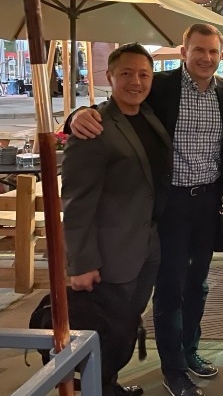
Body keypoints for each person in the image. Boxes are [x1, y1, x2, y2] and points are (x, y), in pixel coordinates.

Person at [67, 24, 223, 396]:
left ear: (221, 55)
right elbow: (117, 109)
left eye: (213, 51)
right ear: (183, 52)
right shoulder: (159, 87)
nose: (206, 58)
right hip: (171, 203)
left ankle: (189, 352)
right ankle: (173, 369)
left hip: (208, 202)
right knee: (171, 289)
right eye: (199, 50)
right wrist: (77, 115)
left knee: (199, 284)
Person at [62, 43, 171, 396]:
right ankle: (93, 387)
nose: (136, 81)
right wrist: (80, 263)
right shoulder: (94, 128)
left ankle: (106, 384)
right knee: (105, 327)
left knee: (124, 324)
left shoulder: (148, 117)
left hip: (147, 245)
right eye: (126, 73)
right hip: (111, 252)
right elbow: (77, 202)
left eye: (143, 74)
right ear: (109, 76)